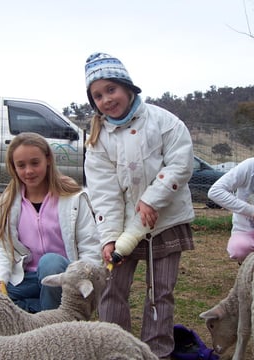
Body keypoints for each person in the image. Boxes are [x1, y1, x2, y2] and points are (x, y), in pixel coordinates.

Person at [83, 52, 195, 359]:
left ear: (128, 87)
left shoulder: (164, 121)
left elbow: (180, 164)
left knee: (160, 291)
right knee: (111, 287)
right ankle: (113, 347)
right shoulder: (98, 140)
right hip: (123, 229)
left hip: (167, 219)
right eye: (97, 95)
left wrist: (151, 199)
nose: (106, 99)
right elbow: (104, 192)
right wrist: (108, 237)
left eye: (111, 89)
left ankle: (157, 351)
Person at [0, 132, 101, 313]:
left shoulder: (74, 199)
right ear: (13, 167)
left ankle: (49, 323)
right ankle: (35, 312)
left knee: (50, 263)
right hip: (25, 280)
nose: (28, 171)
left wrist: (84, 280)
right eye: (21, 165)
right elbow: (2, 249)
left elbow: (90, 246)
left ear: (47, 160)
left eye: (35, 163)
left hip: (63, 278)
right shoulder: (7, 203)